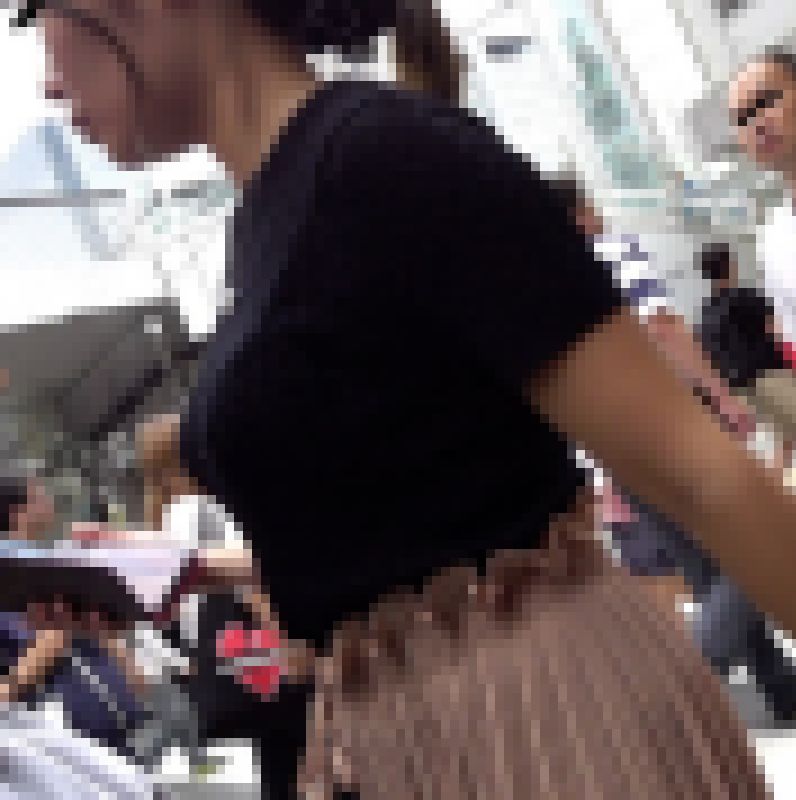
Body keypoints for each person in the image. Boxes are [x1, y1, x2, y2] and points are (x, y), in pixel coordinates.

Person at [22, 0, 796, 796]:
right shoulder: (267, 217)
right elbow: (418, 522)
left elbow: (702, 474)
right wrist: (195, 571)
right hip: (429, 736)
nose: (46, 83)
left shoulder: (387, 156)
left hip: (547, 727)